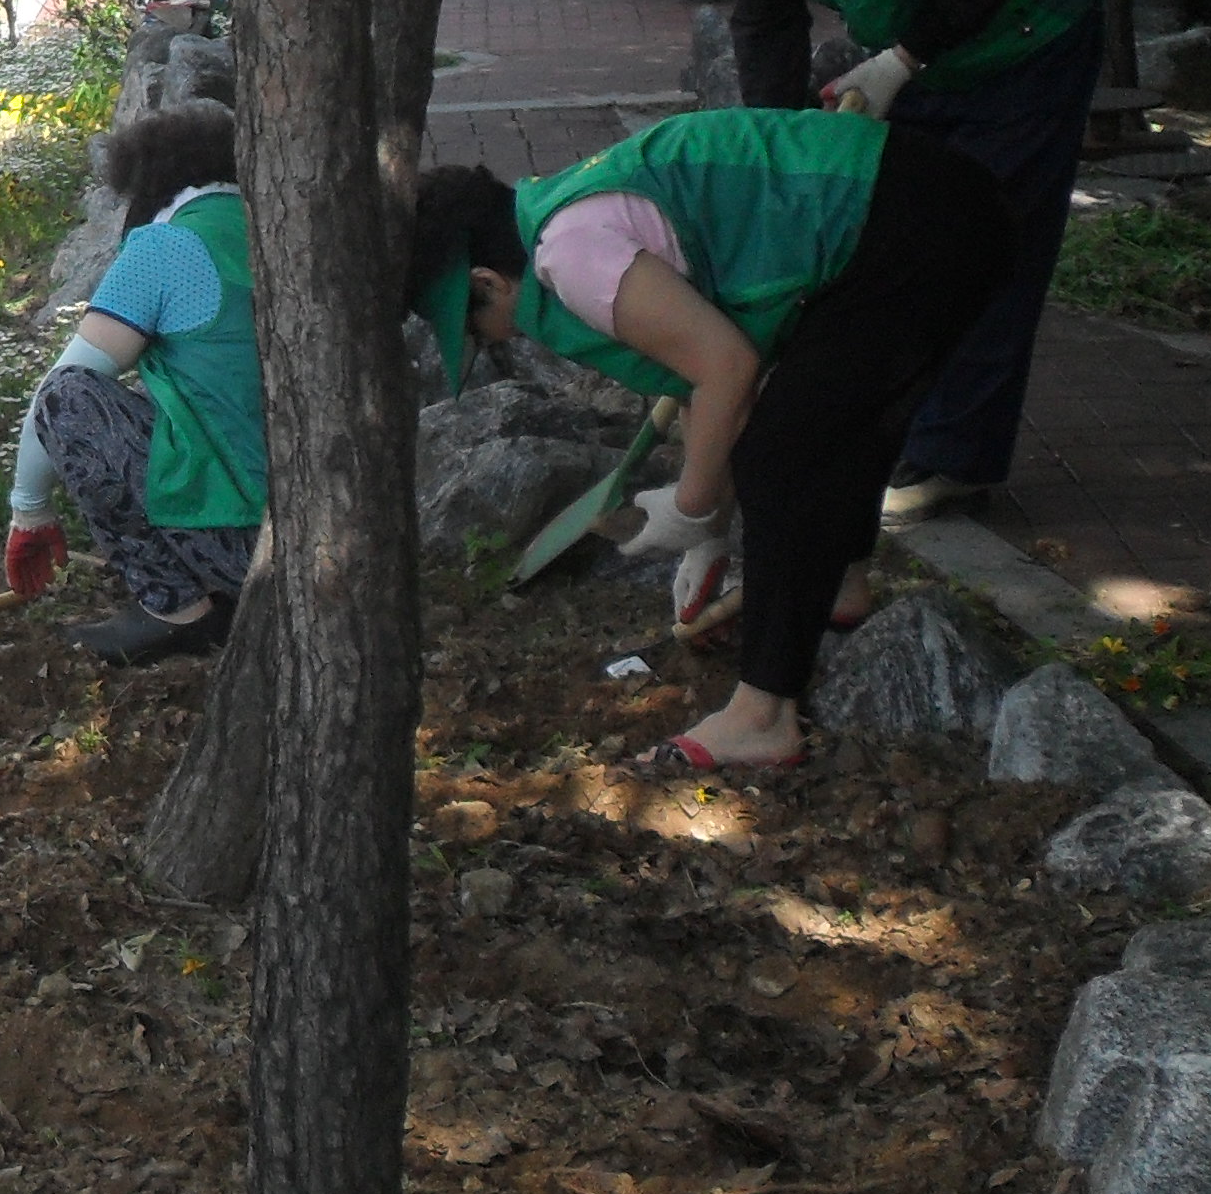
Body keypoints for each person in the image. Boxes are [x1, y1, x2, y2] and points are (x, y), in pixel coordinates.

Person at [410, 106, 1010, 774]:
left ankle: (763, 717)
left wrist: (692, 504)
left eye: (473, 327)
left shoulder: (572, 255)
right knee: (831, 421)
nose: (489, 342)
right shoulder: (563, 213)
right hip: (917, 207)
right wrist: (710, 538)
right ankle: (837, 586)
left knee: (784, 454)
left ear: (488, 282)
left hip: (910, 216)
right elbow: (703, 382)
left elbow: (727, 367)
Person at [664, 0, 1102, 523]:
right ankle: (895, 428)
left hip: (1029, 35)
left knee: (992, 242)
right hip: (918, 50)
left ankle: (955, 458)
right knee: (897, 239)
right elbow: (765, 14)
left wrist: (900, 62)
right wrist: (781, 142)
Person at [1, 103, 266, 665]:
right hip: (321, 524)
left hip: (244, 544)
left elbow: (64, 387)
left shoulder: (164, 248)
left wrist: (29, 509)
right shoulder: (269, 224)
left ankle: (176, 612)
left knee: (70, 400)